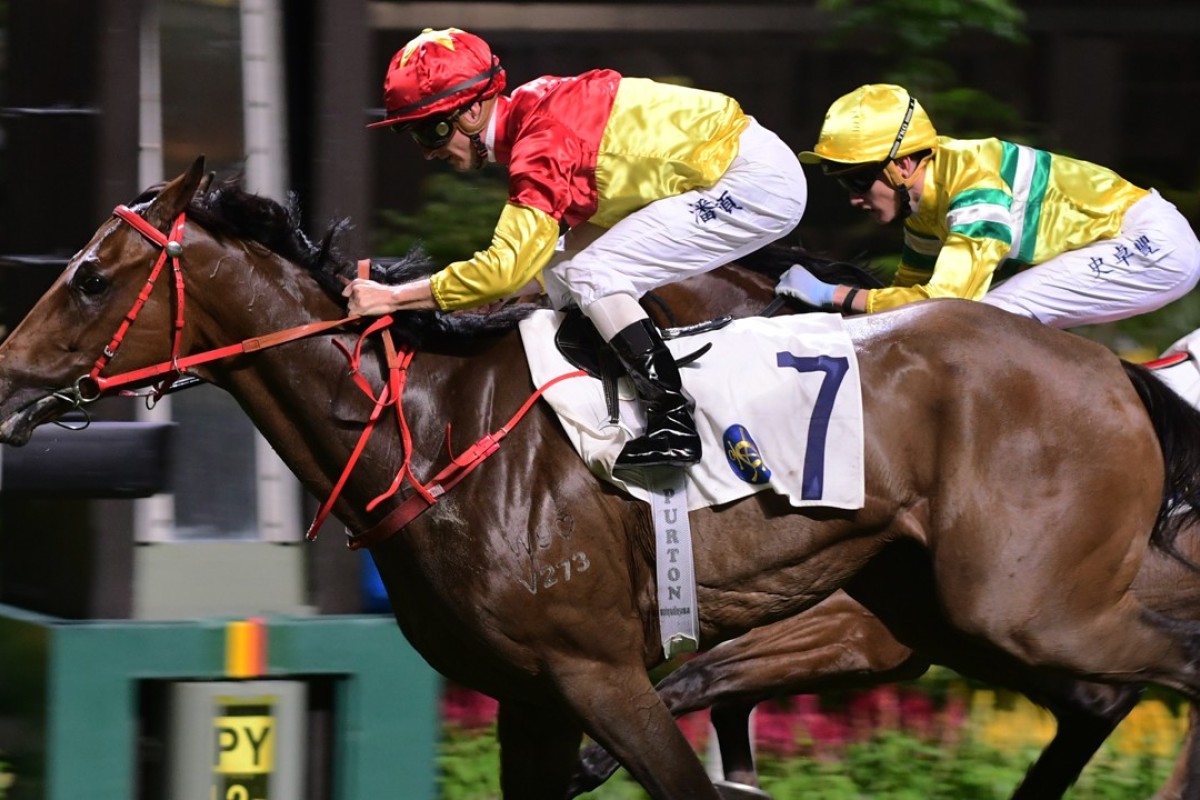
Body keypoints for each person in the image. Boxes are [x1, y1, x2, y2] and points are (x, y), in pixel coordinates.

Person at [344, 28, 807, 469]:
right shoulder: (534, 111)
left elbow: (503, 272)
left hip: (752, 182)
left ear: (470, 113)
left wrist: (394, 297)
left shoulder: (541, 143)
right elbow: (527, 275)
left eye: (430, 133)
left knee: (592, 274)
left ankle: (673, 418)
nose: (427, 153)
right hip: (721, 169)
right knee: (564, 272)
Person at [777, 83, 1200, 325]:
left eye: (858, 179)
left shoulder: (976, 187)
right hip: (1124, 243)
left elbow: (941, 303)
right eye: (842, 182)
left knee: (984, 317)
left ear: (904, 164)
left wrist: (834, 295)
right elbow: (905, 295)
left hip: (1151, 245)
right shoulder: (926, 205)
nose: (853, 197)